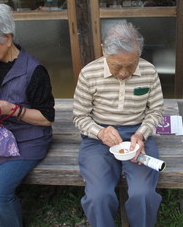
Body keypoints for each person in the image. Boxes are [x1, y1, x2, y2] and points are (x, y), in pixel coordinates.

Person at [0, 2, 55, 227]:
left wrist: (12, 109)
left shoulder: (34, 70)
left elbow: (46, 118)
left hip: (28, 139)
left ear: (6, 37)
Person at [73, 21, 164, 227]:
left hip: (137, 136)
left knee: (143, 193)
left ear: (139, 54)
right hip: (98, 139)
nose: (124, 73)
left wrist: (142, 134)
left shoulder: (149, 72)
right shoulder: (89, 73)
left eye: (131, 65)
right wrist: (100, 132)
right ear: (104, 51)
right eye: (117, 66)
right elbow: (80, 116)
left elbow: (156, 110)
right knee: (98, 195)